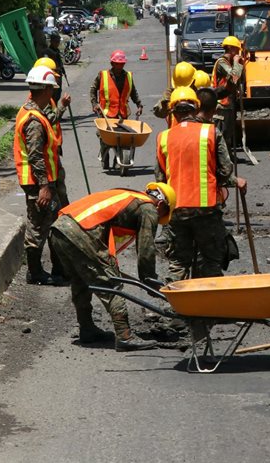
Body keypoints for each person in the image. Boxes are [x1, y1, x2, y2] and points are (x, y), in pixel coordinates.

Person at [49, 184, 175, 351]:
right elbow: (146, 249)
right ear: (160, 205)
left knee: (81, 281)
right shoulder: (149, 208)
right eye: (163, 215)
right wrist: (149, 280)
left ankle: (87, 329)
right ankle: (125, 336)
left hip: (59, 229)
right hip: (79, 232)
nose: (158, 220)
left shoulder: (127, 195)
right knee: (111, 283)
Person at [155, 86, 244, 282]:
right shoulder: (211, 132)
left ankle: (176, 301)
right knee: (211, 259)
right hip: (206, 208)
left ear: (173, 112)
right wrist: (216, 181)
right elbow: (226, 169)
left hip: (177, 209)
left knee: (178, 261)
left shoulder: (164, 137)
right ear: (195, 109)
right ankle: (211, 303)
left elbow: (160, 179)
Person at [14, 65, 71, 286]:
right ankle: (35, 273)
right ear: (46, 89)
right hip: (36, 183)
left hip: (41, 180)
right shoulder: (34, 121)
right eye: (52, 89)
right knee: (39, 226)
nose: (53, 93)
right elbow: (36, 155)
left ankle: (56, 269)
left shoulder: (33, 111)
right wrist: (44, 187)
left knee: (53, 221)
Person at [91, 49, 143, 164]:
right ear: (112, 64)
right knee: (104, 137)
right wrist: (94, 103)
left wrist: (139, 104)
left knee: (123, 138)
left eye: (122, 64)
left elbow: (133, 92)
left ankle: (118, 157)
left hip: (122, 113)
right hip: (106, 113)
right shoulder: (102, 75)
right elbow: (93, 89)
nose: (120, 66)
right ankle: (105, 155)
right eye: (117, 64)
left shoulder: (128, 76)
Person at [212, 35, 247, 157]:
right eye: (237, 50)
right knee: (222, 133)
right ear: (231, 49)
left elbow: (239, 79)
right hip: (222, 104)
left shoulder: (231, 63)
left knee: (229, 133)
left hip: (230, 103)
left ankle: (228, 155)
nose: (238, 52)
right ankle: (222, 158)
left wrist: (240, 64)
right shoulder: (222, 63)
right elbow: (234, 78)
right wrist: (237, 63)